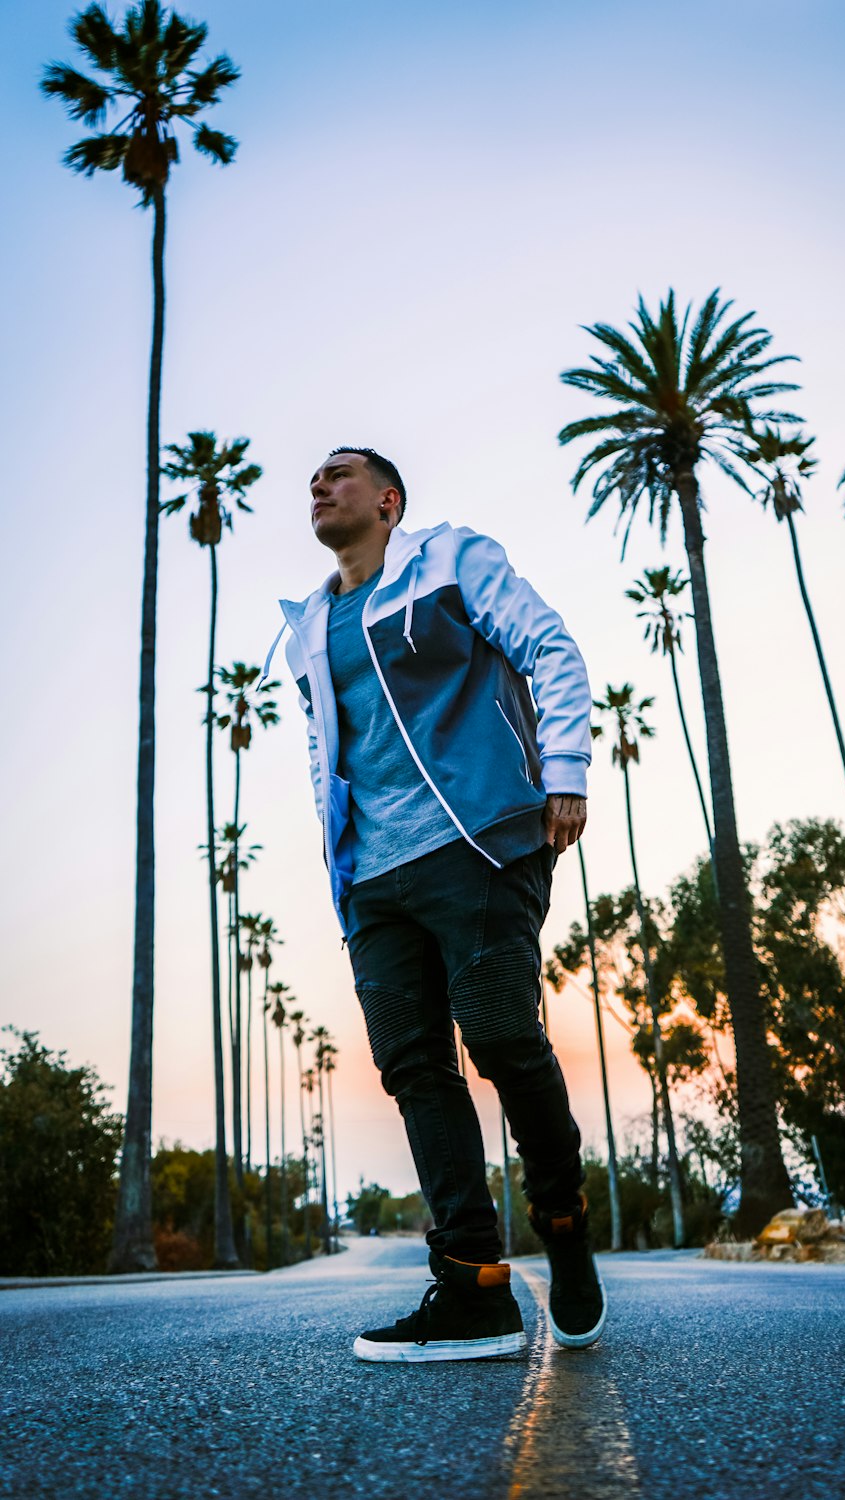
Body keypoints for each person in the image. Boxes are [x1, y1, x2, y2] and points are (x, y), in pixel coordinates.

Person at [263, 446, 605, 1363]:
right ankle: (474, 1288)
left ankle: (562, 1218)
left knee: (499, 1036)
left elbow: (551, 648)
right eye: (312, 480)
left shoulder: (452, 561)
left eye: (338, 474)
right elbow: (326, 754)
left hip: (481, 839)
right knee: (414, 1067)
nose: (318, 485)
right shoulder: (307, 628)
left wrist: (563, 771)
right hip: (372, 875)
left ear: (387, 499)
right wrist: (337, 871)